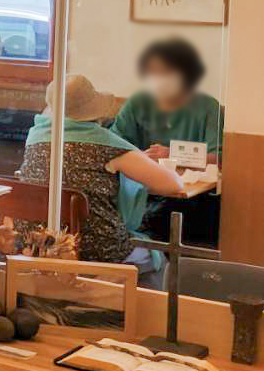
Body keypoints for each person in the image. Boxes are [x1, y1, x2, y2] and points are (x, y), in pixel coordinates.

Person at [19, 74, 182, 264]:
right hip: (97, 251)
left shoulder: (35, 137)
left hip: (39, 246)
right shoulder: (106, 143)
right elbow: (173, 184)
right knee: (155, 260)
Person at [112, 37, 224, 243]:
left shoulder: (208, 108)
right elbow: (113, 144)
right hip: (142, 190)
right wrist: (139, 157)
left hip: (192, 199)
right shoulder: (138, 103)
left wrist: (171, 155)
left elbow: (218, 158)